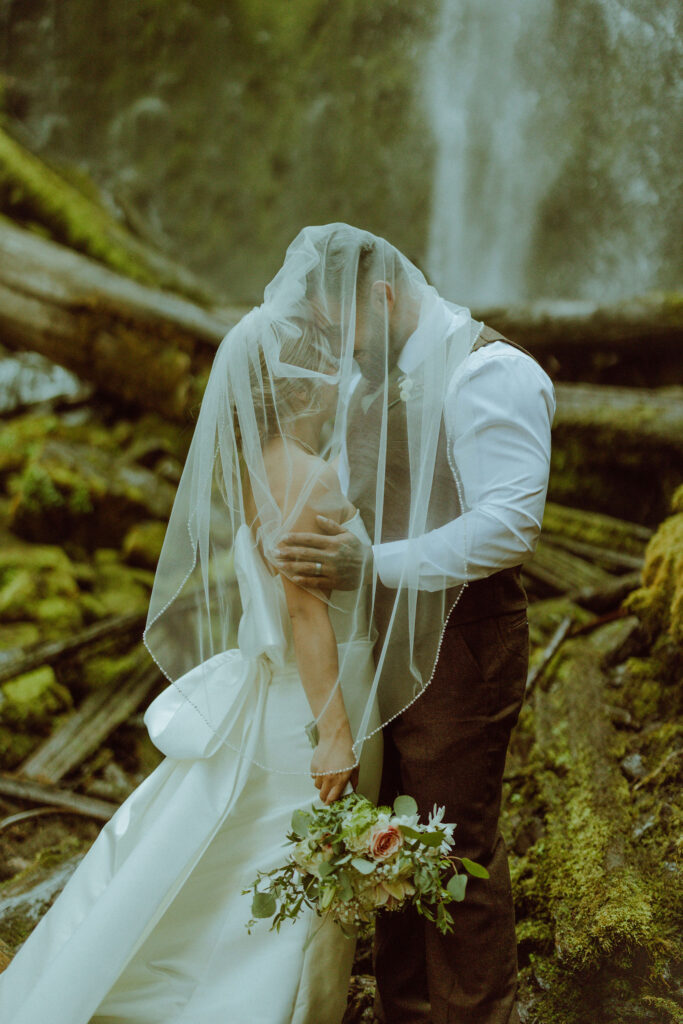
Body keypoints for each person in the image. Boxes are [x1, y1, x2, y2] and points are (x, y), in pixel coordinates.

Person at [0, 305, 385, 1024]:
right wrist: (335, 730)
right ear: (300, 391)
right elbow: (304, 612)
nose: (340, 384)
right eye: (328, 372)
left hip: (284, 695)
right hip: (311, 703)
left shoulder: (259, 469)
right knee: (295, 869)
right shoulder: (307, 477)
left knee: (238, 863)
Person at [274, 224, 556, 1024]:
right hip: (376, 649)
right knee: (387, 844)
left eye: (343, 329)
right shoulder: (375, 382)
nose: (338, 348)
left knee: (454, 847)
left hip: (461, 646)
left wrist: (373, 567)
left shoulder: (490, 374)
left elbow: (509, 523)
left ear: (383, 296)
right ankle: (406, 1010)